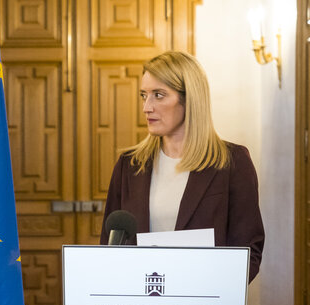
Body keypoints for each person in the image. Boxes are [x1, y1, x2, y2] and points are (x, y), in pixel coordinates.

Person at [100, 51, 264, 283]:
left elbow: (249, 250)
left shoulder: (232, 162)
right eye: (144, 95)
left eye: (158, 95)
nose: (147, 107)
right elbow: (109, 245)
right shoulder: (129, 165)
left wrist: (213, 294)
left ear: (190, 99)